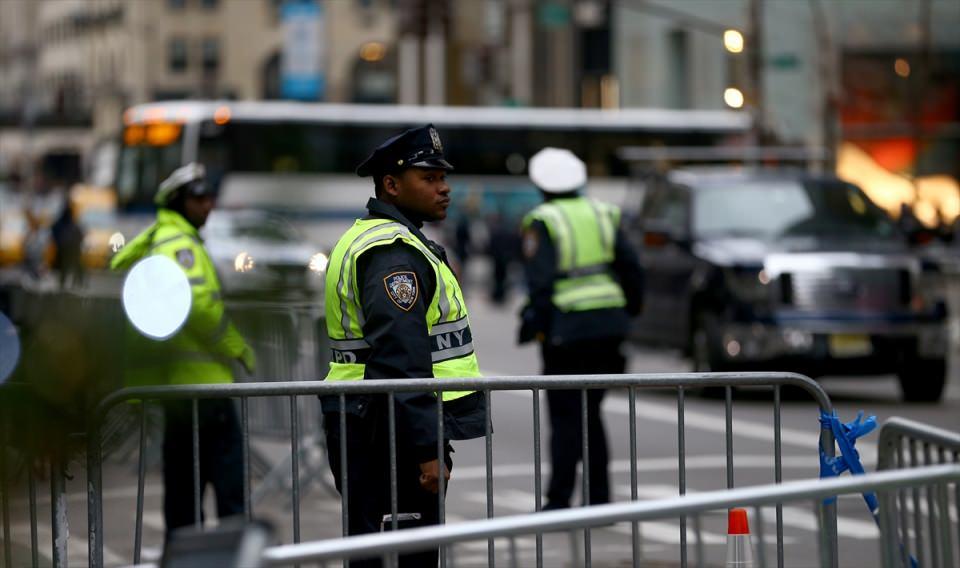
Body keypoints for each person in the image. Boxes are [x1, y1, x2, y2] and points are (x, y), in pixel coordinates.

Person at [322, 124, 487, 567]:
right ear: (392, 185)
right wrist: (426, 448)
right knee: (404, 555)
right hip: (387, 431)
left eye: (443, 177)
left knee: (374, 552)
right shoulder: (392, 252)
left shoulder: (383, 239)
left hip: (372, 420)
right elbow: (401, 358)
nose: (444, 188)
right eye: (429, 178)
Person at [110, 162, 255, 538]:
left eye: (210, 197)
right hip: (203, 386)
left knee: (183, 493)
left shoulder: (164, 238)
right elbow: (197, 305)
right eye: (199, 199)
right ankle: (232, 558)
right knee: (227, 491)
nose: (208, 205)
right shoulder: (180, 245)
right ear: (178, 202)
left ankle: (186, 556)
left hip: (181, 388)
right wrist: (238, 347)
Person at [518, 147, 644, 510]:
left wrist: (539, 328)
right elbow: (632, 268)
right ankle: (599, 500)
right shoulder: (604, 212)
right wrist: (628, 312)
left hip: (567, 330)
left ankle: (559, 501)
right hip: (609, 328)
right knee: (591, 414)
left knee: (565, 416)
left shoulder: (543, 219)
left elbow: (541, 284)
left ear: (541, 185)